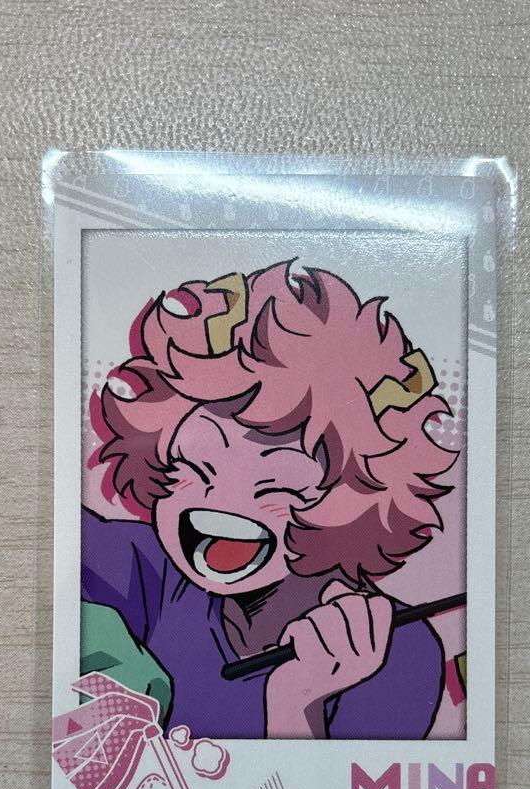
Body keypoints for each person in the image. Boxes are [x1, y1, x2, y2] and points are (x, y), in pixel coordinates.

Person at [81, 262, 456, 739]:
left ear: (349, 510)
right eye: (194, 469)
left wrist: (299, 703)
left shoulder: (398, 651)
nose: (220, 502)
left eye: (276, 488)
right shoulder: (149, 569)